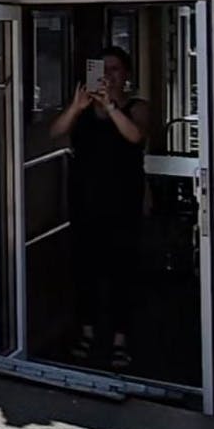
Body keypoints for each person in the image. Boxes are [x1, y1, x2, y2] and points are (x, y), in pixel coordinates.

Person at [48, 46, 148, 370]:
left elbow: (135, 136)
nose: (108, 76)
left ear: (127, 74)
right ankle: (87, 332)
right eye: (102, 69)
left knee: (123, 271)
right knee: (84, 270)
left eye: (115, 69)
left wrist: (111, 107)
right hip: (85, 200)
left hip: (123, 201)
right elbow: (55, 132)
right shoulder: (83, 108)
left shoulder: (136, 107)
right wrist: (76, 107)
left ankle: (121, 339)